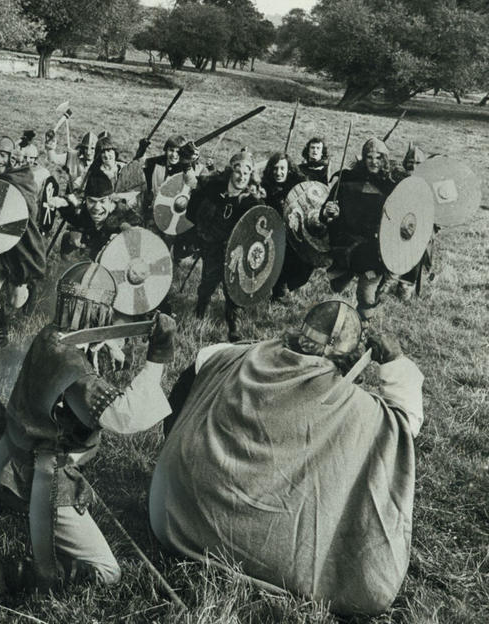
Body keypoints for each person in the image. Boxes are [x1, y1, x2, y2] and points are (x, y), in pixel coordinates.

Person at [149, 300, 424, 616]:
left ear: (297, 336)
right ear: (349, 360)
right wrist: (394, 361)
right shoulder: (360, 409)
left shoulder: (230, 356)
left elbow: (198, 367)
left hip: (176, 518)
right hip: (271, 558)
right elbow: (406, 423)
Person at [0, 262, 175, 592]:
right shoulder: (73, 368)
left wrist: (110, 343)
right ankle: (12, 574)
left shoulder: (50, 335)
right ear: (100, 312)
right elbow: (123, 416)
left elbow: (84, 348)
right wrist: (156, 357)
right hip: (44, 476)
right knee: (107, 573)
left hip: (11, 454)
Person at [320, 138, 408, 321]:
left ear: (385, 159)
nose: (374, 162)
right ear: (363, 158)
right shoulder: (347, 180)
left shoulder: (391, 186)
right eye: (369, 157)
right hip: (348, 245)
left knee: (366, 292)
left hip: (375, 248)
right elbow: (326, 211)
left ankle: (364, 324)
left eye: (378, 157)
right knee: (336, 286)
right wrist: (330, 212)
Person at [0, 136, 47, 346]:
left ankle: (26, 288)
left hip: (18, 247)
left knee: (16, 301)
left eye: (4, 156)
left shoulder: (23, 178)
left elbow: (25, 210)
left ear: (13, 159)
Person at [185, 149, 262, 340]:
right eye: (238, 171)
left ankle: (232, 322)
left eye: (246, 173)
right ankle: (201, 307)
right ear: (231, 171)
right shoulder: (213, 189)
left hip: (236, 251)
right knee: (208, 281)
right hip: (212, 245)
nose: (241, 177)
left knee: (232, 288)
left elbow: (257, 228)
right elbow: (194, 210)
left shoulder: (250, 202)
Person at [51, 168, 144, 260]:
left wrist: (125, 237)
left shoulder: (123, 215)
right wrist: (74, 229)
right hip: (92, 250)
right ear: (85, 200)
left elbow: (138, 232)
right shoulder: (84, 212)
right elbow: (70, 212)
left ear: (111, 200)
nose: (97, 207)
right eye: (91, 201)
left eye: (102, 201)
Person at [261, 151, 314, 297]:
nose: (278, 172)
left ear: (289, 169)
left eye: (282, 168)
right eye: (275, 168)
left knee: (305, 267)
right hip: (274, 234)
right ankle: (279, 291)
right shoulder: (265, 187)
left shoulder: (299, 186)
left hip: (296, 232)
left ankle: (285, 287)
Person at [45, 130, 98, 208]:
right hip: (72, 198)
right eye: (86, 148)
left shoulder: (100, 161)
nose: (89, 152)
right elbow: (53, 159)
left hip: (92, 201)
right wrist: (50, 148)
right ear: (82, 148)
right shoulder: (72, 156)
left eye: (92, 148)